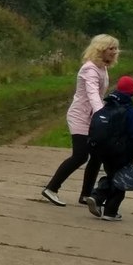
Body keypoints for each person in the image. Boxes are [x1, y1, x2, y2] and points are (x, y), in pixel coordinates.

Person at [40, 33, 120, 207]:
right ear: (100, 50)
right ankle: (51, 188)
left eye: (115, 48)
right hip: (80, 116)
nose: (114, 51)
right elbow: (92, 93)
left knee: (97, 156)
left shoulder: (102, 67)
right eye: (110, 48)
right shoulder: (89, 69)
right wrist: (102, 115)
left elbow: (99, 95)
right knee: (80, 155)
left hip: (92, 117)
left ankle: (85, 195)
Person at [86, 76, 133, 221]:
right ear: (132, 93)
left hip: (103, 150)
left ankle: (97, 198)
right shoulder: (131, 111)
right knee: (121, 181)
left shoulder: (107, 106)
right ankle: (108, 209)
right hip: (122, 151)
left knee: (112, 174)